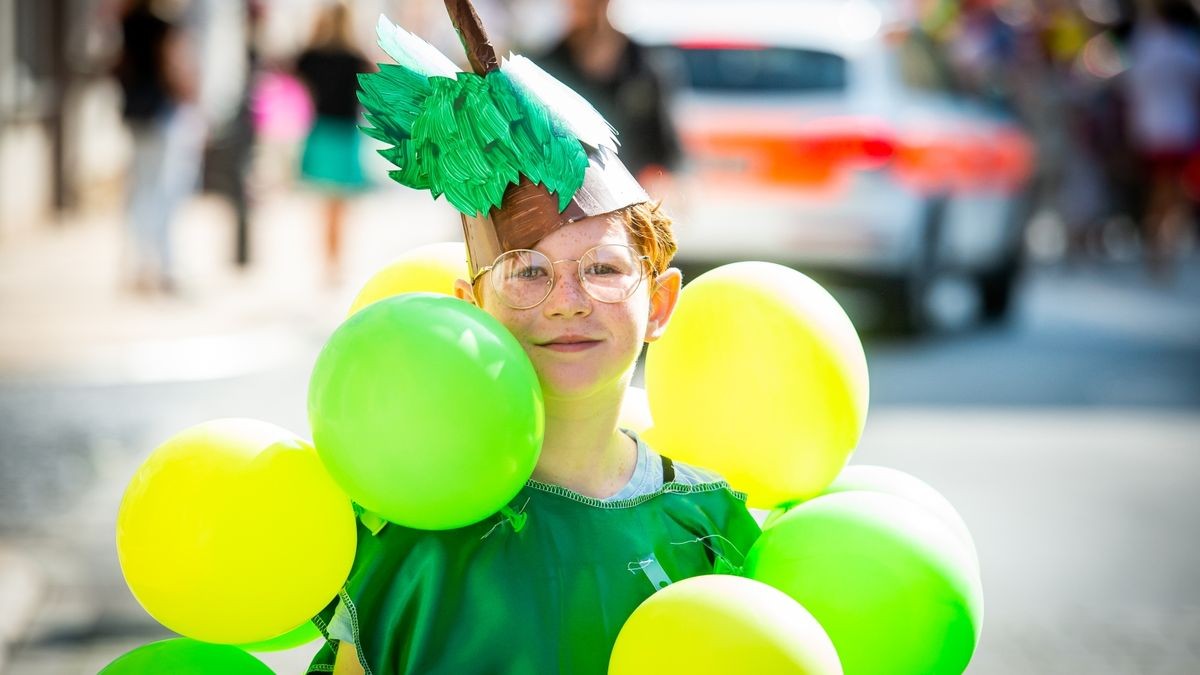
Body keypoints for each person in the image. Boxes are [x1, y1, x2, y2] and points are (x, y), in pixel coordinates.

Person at [306, 5, 759, 674]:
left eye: (603, 269)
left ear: (660, 303)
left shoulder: (712, 527)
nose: (568, 302)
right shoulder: (417, 550)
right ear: (473, 307)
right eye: (528, 271)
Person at [536, 0, 680, 192]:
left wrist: (658, 184)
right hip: (570, 207)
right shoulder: (543, 70)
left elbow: (666, 151)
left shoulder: (645, 65)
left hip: (634, 202)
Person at [114, 0, 203, 294]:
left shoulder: (126, 23)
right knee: (160, 190)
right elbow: (174, 67)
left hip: (135, 112)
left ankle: (142, 265)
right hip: (158, 113)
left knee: (141, 188)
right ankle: (162, 265)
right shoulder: (164, 26)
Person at [295, 3, 372, 282]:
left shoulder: (312, 56)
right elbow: (375, 78)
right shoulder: (355, 57)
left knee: (325, 205)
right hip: (345, 134)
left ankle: (329, 261)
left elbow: (294, 66)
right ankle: (335, 261)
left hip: (321, 131)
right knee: (340, 206)